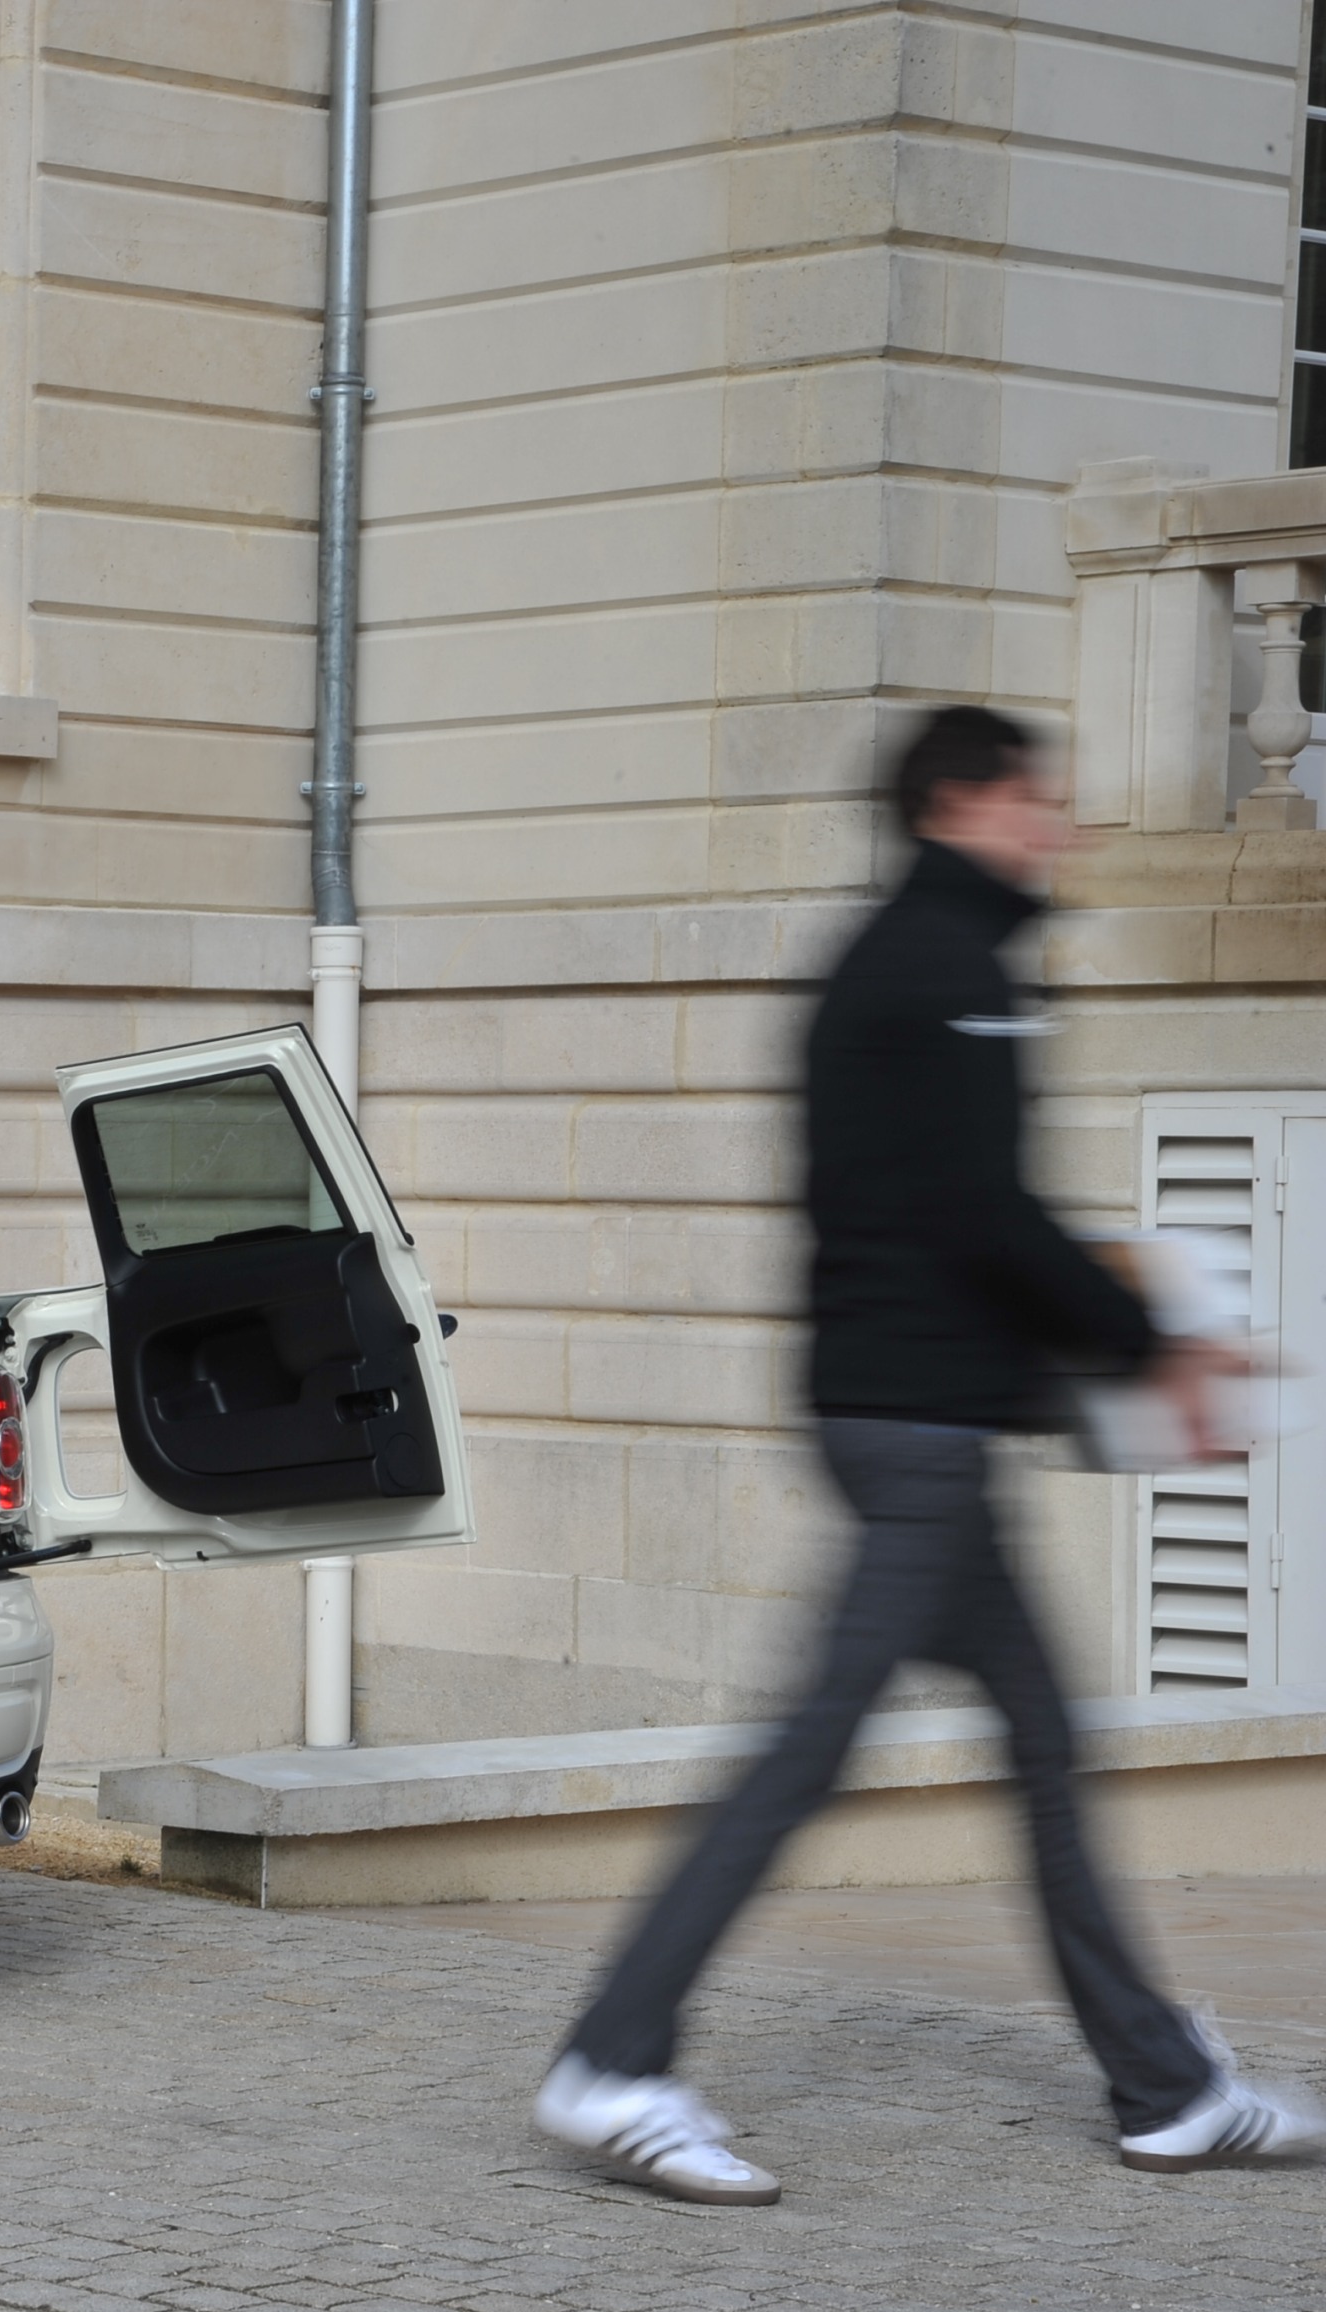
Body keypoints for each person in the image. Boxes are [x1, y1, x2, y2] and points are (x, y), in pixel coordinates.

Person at [531, 705, 1323, 2203]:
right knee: (811, 1748)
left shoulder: (908, 959)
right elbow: (982, 1214)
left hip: (910, 1422)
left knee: (1042, 1739)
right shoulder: (943, 967)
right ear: (963, 801)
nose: (1059, 827)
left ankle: (1164, 2087)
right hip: (917, 1441)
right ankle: (613, 2058)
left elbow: (947, 1210)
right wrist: (1154, 1344)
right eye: (1040, 801)